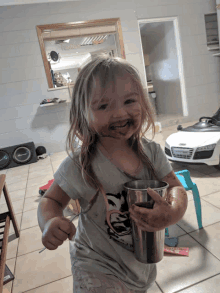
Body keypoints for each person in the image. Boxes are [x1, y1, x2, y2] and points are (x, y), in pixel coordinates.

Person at [37, 54, 188, 293]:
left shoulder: (152, 153)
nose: (119, 113)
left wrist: (172, 212)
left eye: (129, 101)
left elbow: (176, 188)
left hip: (139, 267)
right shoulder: (80, 164)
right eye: (104, 106)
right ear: (83, 113)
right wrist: (50, 222)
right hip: (95, 265)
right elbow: (51, 200)